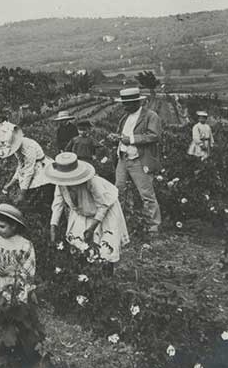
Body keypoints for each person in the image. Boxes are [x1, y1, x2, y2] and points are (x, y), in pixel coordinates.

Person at [45, 152, 129, 264]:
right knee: (79, 243)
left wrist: (91, 228)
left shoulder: (91, 182)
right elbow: (57, 205)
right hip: (82, 211)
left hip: (105, 207)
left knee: (105, 247)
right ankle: (85, 273)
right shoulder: (60, 184)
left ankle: (106, 273)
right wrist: (53, 227)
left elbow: (103, 206)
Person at [108, 87, 162, 234]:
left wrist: (130, 139)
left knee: (146, 194)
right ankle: (120, 222)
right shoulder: (125, 118)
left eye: (128, 104)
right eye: (124, 104)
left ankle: (153, 226)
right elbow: (122, 136)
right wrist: (116, 138)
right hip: (123, 159)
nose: (125, 107)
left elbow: (154, 136)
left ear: (136, 102)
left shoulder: (150, 116)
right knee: (118, 191)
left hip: (139, 159)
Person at [0, 122, 54, 209]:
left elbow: (29, 171)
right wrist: (9, 184)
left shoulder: (28, 147)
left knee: (41, 198)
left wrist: (22, 194)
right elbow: (21, 166)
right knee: (28, 192)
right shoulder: (16, 148)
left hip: (41, 169)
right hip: (32, 169)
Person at [0, 204, 36, 300]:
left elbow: (28, 271)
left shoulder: (25, 246)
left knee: (12, 302)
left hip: (15, 285)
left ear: (14, 226)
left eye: (2, 227)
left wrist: (13, 271)